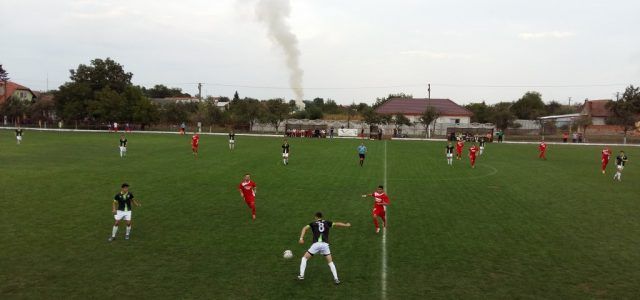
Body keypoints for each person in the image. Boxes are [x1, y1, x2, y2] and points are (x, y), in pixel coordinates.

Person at [297, 212, 351, 284]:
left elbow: (304, 228)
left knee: (304, 258)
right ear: (321, 217)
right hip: (325, 245)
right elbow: (337, 223)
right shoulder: (327, 223)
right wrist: (346, 225)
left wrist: (301, 238)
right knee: (330, 262)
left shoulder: (313, 223)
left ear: (316, 217)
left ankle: (301, 275)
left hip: (316, 245)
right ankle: (336, 279)